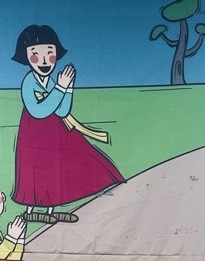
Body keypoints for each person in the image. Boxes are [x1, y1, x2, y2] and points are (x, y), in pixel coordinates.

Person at [11, 24, 124, 226]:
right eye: (36, 55)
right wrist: (60, 88)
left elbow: (62, 111)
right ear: (26, 56)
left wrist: (68, 89)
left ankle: (51, 209)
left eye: (50, 54)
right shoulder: (29, 81)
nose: (44, 61)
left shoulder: (51, 82)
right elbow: (38, 111)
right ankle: (31, 209)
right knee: (35, 169)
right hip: (33, 134)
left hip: (52, 131)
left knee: (54, 167)